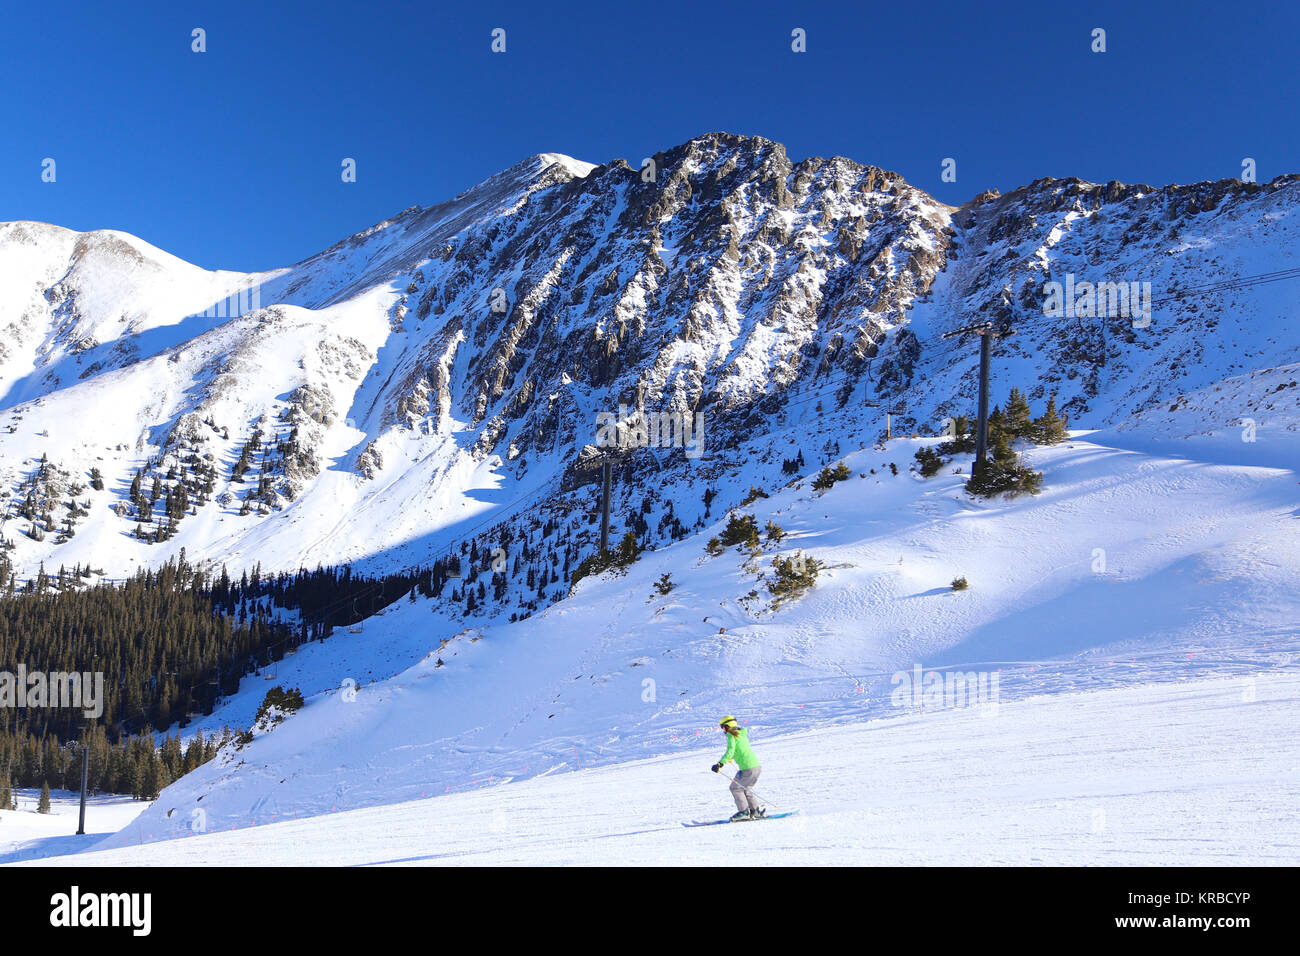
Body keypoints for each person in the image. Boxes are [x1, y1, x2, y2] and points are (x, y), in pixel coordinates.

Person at [711, 715, 764, 821]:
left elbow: (730, 751)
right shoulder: (741, 734)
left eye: (723, 727)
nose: (723, 730)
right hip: (756, 767)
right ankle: (755, 811)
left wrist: (720, 764)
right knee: (745, 789)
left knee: (735, 788)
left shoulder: (731, 735)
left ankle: (744, 812)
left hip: (747, 768)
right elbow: (739, 749)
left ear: (727, 726)